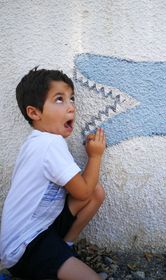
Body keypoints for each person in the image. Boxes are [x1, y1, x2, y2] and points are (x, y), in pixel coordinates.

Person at [0, 67, 106, 279]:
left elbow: (85, 191)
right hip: (26, 247)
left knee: (97, 191)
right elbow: (82, 192)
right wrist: (95, 156)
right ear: (34, 113)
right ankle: (39, 268)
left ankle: (64, 246)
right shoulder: (50, 144)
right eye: (60, 99)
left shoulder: (38, 141)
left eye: (72, 99)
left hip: (41, 229)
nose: (71, 107)